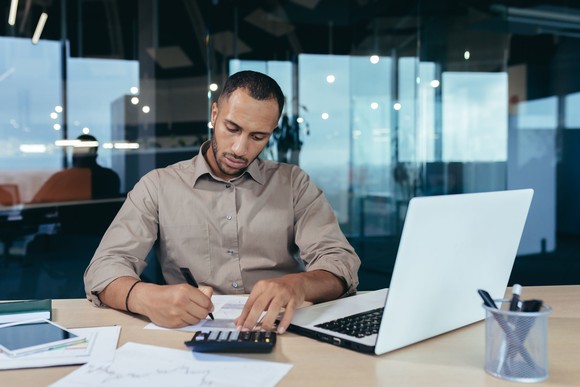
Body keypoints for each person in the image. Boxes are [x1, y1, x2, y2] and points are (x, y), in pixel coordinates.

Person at [84, 70, 360, 335]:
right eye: (232, 128)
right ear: (215, 114)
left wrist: (299, 285)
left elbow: (339, 262)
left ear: (272, 132)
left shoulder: (293, 184)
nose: (240, 149)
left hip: (283, 330)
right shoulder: (158, 186)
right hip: (189, 331)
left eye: (257, 136)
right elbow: (105, 266)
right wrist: (144, 297)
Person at [31, 134, 120, 203]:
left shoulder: (61, 178)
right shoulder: (110, 176)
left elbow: (34, 206)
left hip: (70, 226)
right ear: (96, 154)